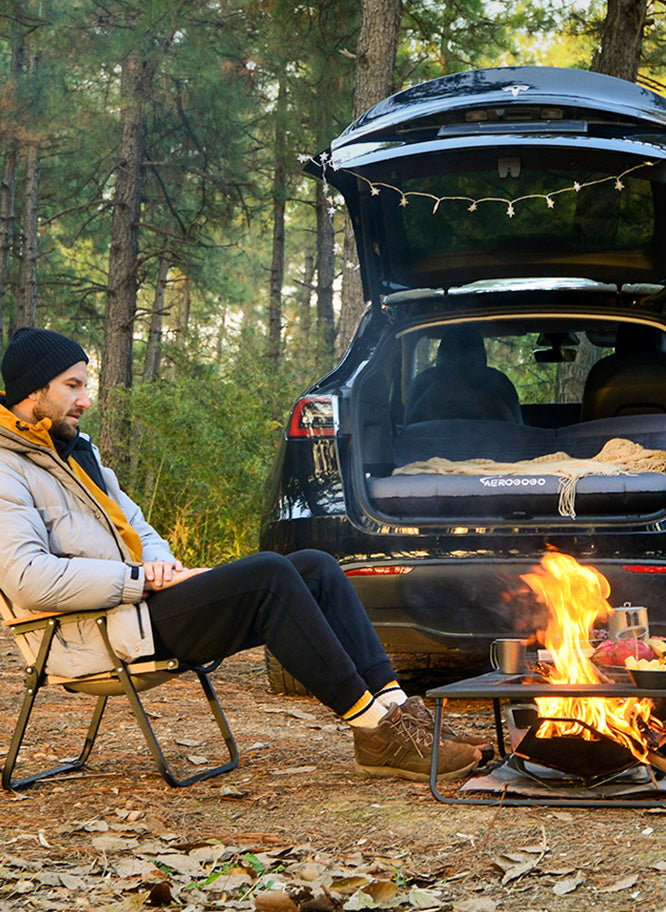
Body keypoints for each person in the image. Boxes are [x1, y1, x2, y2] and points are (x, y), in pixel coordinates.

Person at [0, 327, 488, 783]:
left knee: (315, 566)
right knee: (270, 575)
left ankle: (398, 712)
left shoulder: (78, 453)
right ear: (31, 389)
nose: (86, 400)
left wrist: (164, 568)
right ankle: (376, 731)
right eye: (72, 386)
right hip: (91, 633)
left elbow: (138, 527)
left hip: (135, 607)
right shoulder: (7, 470)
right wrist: (139, 578)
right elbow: (26, 577)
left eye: (85, 385)